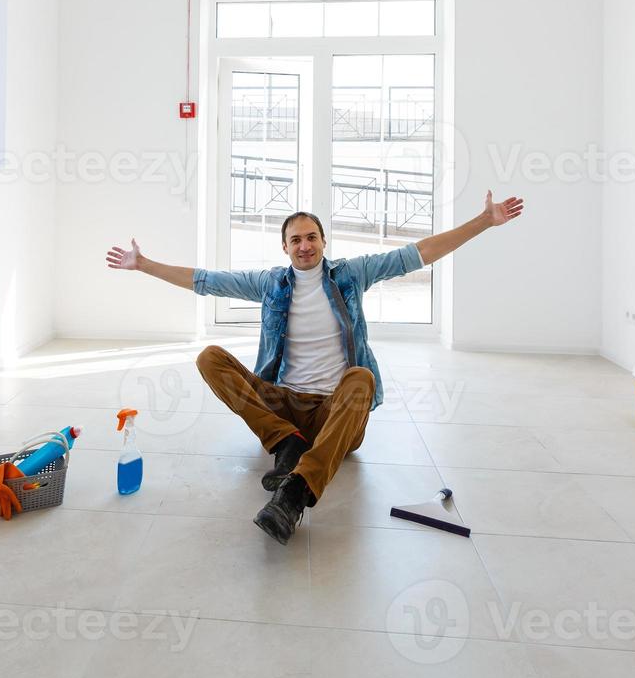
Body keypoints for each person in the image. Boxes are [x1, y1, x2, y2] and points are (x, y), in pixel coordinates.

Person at [104, 190, 524, 544]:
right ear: (284, 247)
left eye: (311, 237)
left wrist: (483, 222)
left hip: (334, 413)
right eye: (295, 240)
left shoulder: (350, 275)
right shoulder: (270, 283)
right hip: (284, 403)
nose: (304, 246)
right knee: (209, 357)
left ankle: (295, 492)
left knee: (361, 377)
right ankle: (285, 440)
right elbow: (205, 280)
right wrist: (144, 265)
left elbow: (417, 254)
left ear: (324, 242)